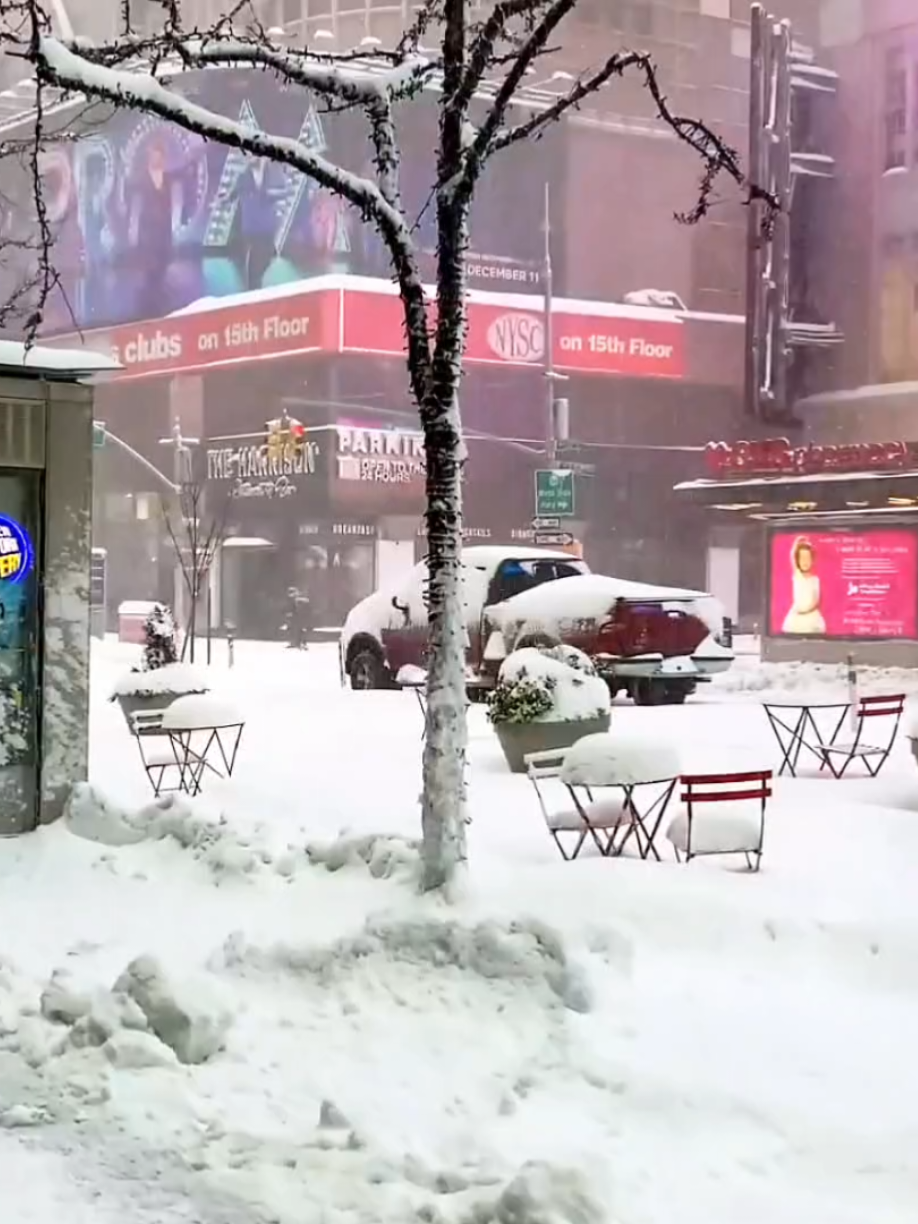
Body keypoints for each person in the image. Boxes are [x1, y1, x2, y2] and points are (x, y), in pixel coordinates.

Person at [782, 536, 826, 635]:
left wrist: (807, 610)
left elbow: (816, 599)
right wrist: (797, 542)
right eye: (802, 558)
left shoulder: (815, 579)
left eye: (808, 558)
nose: (805, 562)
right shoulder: (797, 575)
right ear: (798, 561)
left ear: (812, 560)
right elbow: (792, 556)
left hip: (810, 615)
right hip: (797, 615)